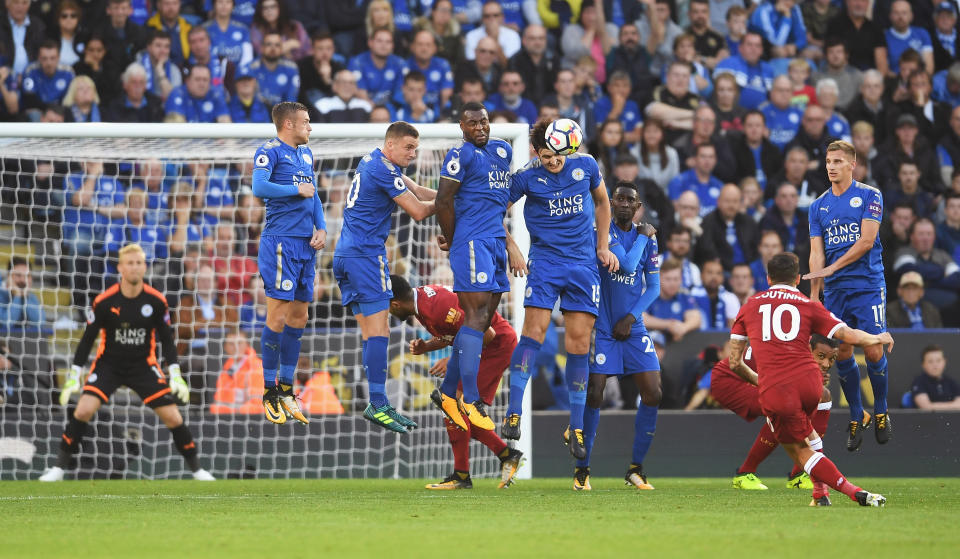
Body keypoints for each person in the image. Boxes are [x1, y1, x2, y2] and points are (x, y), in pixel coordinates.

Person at [729, 251, 892, 507]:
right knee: (810, 433)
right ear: (797, 279)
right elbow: (848, 335)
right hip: (811, 383)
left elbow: (735, 362)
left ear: (769, 278)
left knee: (799, 450)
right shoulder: (809, 305)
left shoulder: (750, 305)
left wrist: (760, 381)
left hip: (778, 388)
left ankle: (855, 492)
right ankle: (819, 494)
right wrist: (878, 338)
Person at [40, 243, 214, 482]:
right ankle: (58, 469)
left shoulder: (155, 301)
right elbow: (87, 340)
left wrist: (175, 374)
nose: (134, 268)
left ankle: (197, 470)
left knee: (174, 417)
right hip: (109, 365)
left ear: (144, 267)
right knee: (82, 410)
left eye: (138, 263)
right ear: (121, 267)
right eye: (129, 263)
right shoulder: (104, 301)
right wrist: (73, 375)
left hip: (143, 366)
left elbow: (167, 339)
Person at [500, 118, 617, 457]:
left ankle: (577, 427)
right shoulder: (525, 176)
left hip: (582, 266)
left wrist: (603, 245)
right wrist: (513, 247)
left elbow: (603, 203)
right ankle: (513, 412)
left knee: (579, 344)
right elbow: (493, 212)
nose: (553, 162)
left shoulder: (587, 166)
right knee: (533, 333)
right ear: (537, 151)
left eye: (559, 156)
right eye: (547, 156)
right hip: (546, 264)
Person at [333, 121, 436, 432]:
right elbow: (418, 211)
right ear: (390, 144)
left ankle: (379, 402)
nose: (413, 153)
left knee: (370, 333)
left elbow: (418, 190)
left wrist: (458, 194)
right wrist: (452, 205)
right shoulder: (384, 170)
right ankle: (378, 403)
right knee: (380, 332)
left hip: (345, 255)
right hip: (365, 256)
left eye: (416, 148)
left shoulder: (373, 161)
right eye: (408, 147)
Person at [431, 102, 520, 436]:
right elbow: (443, 201)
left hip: (495, 241)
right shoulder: (459, 155)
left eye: (484, 121)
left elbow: (498, 200)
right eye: (473, 123)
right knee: (475, 315)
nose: (480, 127)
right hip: (471, 242)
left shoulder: (503, 150)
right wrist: (454, 240)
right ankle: (470, 399)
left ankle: (447, 391)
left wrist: (509, 243)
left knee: (485, 320)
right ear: (462, 126)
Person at [388, 276, 523, 490]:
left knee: (453, 404)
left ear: (395, 304)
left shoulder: (434, 307)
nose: (389, 313)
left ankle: (464, 475)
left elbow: (487, 334)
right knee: (453, 407)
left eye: (388, 308)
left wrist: (453, 359)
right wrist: (427, 347)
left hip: (496, 346)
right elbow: (453, 333)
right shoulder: (422, 304)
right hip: (485, 346)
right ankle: (505, 455)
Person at [570, 181, 660, 490]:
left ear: (637, 208)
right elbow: (629, 263)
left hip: (632, 326)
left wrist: (633, 317)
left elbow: (655, 287)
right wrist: (645, 236)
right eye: (618, 198)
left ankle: (636, 469)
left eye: (629, 200)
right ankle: (582, 470)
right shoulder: (603, 232)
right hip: (604, 326)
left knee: (653, 392)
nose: (623, 203)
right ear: (610, 202)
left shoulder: (646, 239)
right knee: (595, 393)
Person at [805, 140, 891, 451]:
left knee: (873, 351)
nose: (831, 166)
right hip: (836, 291)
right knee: (840, 353)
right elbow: (817, 253)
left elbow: (867, 241)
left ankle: (880, 409)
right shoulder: (817, 206)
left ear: (852, 165)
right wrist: (815, 295)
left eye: (838, 161)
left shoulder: (870, 195)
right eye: (828, 161)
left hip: (868, 285)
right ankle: (857, 414)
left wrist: (834, 266)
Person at [251, 102, 326, 426]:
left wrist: (321, 226)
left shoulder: (306, 155)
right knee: (278, 314)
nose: (310, 127)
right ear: (288, 124)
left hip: (305, 245)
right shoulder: (270, 151)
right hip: (280, 243)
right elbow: (259, 187)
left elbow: (314, 194)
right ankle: (268, 391)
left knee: (300, 315)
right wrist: (295, 189)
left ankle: (286, 387)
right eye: (306, 122)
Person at [705, 334, 837, 500]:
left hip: (755, 378)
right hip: (730, 380)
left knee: (823, 396)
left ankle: (800, 475)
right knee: (781, 406)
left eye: (831, 359)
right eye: (821, 357)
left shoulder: (801, 344)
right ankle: (744, 473)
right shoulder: (792, 350)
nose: (826, 364)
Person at [644, 257, 702, 342]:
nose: (672, 283)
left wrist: (683, 328)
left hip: (678, 347)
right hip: (650, 344)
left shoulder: (684, 294)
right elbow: (640, 318)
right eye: (668, 279)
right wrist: (668, 325)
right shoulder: (649, 293)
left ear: (681, 279)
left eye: (676, 279)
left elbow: (696, 318)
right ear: (659, 278)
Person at [713, 31, 774, 110]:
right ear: (740, 48)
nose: (753, 49)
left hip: (759, 117)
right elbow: (717, 92)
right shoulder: (727, 64)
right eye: (749, 44)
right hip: (731, 114)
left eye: (757, 46)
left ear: (761, 50)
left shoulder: (768, 70)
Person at [210, 329, 264, 414]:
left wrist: (232, 410)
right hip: (227, 421)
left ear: (247, 345)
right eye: (231, 344)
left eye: (239, 343)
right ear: (225, 347)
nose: (236, 347)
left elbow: (259, 407)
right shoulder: (226, 370)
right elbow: (215, 406)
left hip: (253, 422)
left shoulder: (258, 369)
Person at [348, 27, 406, 107]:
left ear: (393, 45)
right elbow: (360, 93)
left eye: (388, 42)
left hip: (392, 109)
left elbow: (402, 93)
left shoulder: (400, 63)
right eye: (379, 41)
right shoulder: (357, 63)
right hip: (366, 108)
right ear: (370, 43)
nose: (384, 45)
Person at [245, 31, 300, 109]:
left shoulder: (291, 68)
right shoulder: (251, 68)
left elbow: (291, 100)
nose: (273, 48)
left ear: (281, 49)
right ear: (261, 48)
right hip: (257, 114)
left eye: (277, 45)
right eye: (268, 44)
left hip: (282, 114)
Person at [163, 64, 230, 123]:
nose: (201, 84)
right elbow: (175, 130)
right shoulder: (177, 94)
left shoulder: (216, 95)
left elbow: (225, 125)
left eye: (205, 80)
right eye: (197, 79)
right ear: (187, 81)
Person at [691, 258, 739, 330]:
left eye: (718, 273)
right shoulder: (691, 295)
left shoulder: (730, 298)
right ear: (701, 275)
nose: (714, 277)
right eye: (710, 272)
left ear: (723, 278)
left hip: (722, 339)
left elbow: (734, 329)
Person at [911, 345, 960, 410]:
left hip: (951, 419)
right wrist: (953, 405)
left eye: (938, 360)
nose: (935, 365)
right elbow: (926, 407)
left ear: (944, 362)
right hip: (926, 420)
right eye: (930, 361)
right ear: (923, 364)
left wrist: (934, 406)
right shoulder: (919, 382)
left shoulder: (951, 382)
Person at [0, 256, 44, 328]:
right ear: (9, 277)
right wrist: (17, 295)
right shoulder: (1, 295)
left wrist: (24, 296)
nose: (23, 280)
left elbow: (40, 322)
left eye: (27, 276)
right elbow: (6, 324)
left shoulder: (31, 297)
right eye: (18, 275)